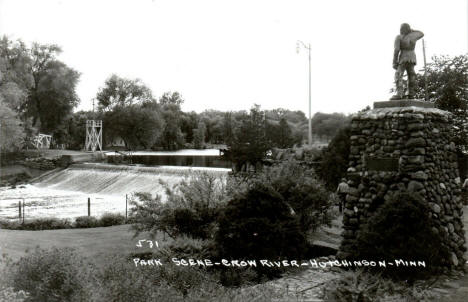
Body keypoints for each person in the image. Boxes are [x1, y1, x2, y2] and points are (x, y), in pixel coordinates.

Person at [391, 23, 424, 100]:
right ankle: (411, 94)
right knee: (411, 74)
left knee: (398, 74)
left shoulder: (399, 37)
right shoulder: (414, 36)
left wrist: (394, 61)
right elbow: (422, 33)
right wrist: (413, 30)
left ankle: (399, 94)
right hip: (412, 56)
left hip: (403, 56)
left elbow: (396, 50)